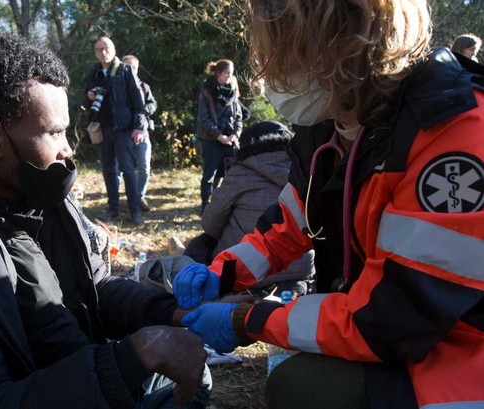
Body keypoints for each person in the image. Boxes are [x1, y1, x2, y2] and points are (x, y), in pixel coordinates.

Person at [0, 32, 212, 409]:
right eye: (55, 132)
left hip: (63, 373)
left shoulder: (31, 184)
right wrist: (133, 358)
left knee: (193, 373)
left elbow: (93, 284)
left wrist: (175, 315)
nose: (69, 149)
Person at [173, 0, 484, 408]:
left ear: (345, 45)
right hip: (390, 329)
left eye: (286, 50)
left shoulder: (453, 131)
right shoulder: (329, 126)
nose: (273, 72)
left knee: (301, 386)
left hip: (458, 354)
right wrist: (221, 273)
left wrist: (246, 320)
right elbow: (286, 226)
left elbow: (387, 319)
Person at [185, 120, 316, 295]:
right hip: (301, 270)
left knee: (201, 243)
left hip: (241, 271)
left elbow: (210, 224)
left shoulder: (240, 171)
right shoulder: (308, 170)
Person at [83, 37, 146, 226]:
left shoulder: (125, 70)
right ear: (95, 52)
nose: (103, 52)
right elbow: (86, 104)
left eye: (106, 48)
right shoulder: (93, 73)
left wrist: (138, 127)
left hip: (124, 128)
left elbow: (138, 101)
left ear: (114, 48)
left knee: (128, 170)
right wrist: (89, 96)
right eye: (99, 49)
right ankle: (113, 210)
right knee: (109, 170)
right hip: (103, 128)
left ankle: (135, 211)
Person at [196, 59, 243, 213]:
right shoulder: (207, 90)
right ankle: (205, 206)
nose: (230, 76)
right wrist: (218, 136)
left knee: (227, 176)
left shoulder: (233, 90)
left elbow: (238, 117)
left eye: (231, 73)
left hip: (230, 141)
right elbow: (204, 119)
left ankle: (221, 206)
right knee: (209, 175)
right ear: (219, 73)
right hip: (211, 139)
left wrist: (235, 134)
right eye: (227, 73)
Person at [122, 54, 158, 213]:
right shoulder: (117, 87)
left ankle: (139, 196)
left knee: (144, 166)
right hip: (122, 133)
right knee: (121, 169)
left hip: (143, 132)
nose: (131, 71)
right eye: (128, 67)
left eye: (134, 68)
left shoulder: (144, 87)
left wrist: (143, 109)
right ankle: (127, 198)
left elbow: (153, 104)